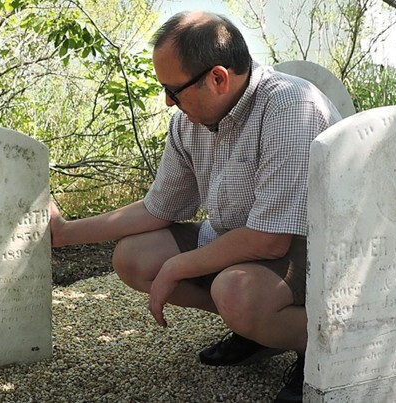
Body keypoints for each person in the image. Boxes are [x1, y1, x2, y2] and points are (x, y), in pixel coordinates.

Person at [50, 11, 342, 402]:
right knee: (134, 257)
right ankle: (258, 330)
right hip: (242, 240)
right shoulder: (189, 122)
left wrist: (178, 266)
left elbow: (271, 239)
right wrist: (65, 233)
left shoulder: (288, 107)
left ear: (218, 78)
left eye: (173, 90)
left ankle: (324, 349)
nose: (168, 101)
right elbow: (158, 209)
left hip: (312, 250)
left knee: (235, 293)